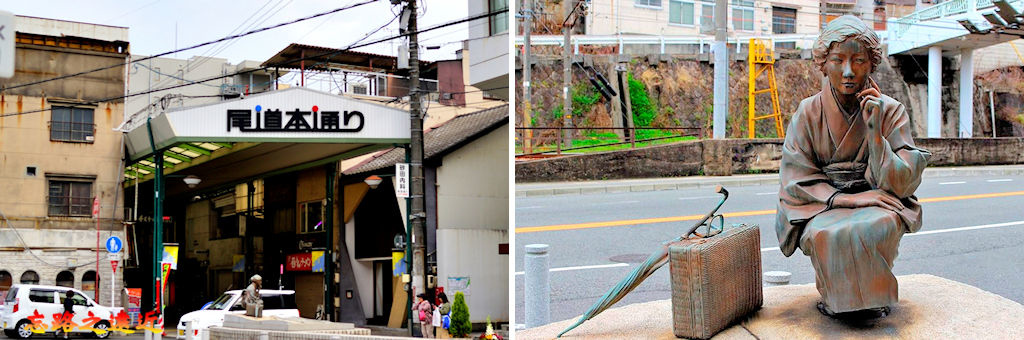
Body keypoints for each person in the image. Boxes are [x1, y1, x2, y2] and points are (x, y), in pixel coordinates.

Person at [775, 15, 929, 319]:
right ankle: (837, 299)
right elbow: (795, 177)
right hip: (821, 203)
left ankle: (872, 299)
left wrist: (874, 132)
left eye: (858, 60)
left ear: (871, 63)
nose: (848, 71)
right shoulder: (808, 112)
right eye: (837, 60)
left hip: (878, 195)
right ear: (824, 63)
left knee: (878, 224)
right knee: (825, 233)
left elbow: (903, 182)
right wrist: (848, 199)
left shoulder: (891, 110)